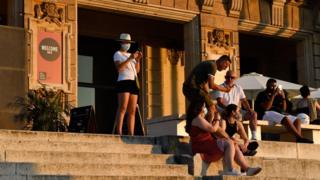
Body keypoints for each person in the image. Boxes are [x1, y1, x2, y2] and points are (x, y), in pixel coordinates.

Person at [185, 102, 262, 176]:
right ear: (199, 108)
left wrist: (214, 117)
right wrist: (217, 119)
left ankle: (247, 169)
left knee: (234, 145)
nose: (205, 108)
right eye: (204, 106)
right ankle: (230, 169)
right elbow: (213, 129)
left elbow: (214, 129)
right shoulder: (198, 119)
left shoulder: (201, 118)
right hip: (202, 145)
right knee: (229, 143)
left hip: (207, 143)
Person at [254, 78, 313, 143]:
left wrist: (283, 97)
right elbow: (267, 107)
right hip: (266, 114)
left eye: (275, 86)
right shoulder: (262, 94)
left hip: (278, 114)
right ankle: (300, 137)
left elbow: (283, 109)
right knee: (285, 119)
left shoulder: (278, 96)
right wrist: (273, 95)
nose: (273, 88)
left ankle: (298, 139)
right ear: (267, 85)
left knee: (297, 120)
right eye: (271, 86)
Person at [183, 55, 232, 125]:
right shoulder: (212, 66)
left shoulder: (210, 64)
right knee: (212, 108)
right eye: (226, 65)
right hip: (192, 88)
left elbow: (206, 85)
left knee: (201, 108)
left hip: (190, 88)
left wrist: (208, 97)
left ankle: (194, 126)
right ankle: (207, 130)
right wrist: (225, 89)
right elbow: (211, 85)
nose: (225, 68)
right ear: (222, 61)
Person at [215, 70, 258, 140]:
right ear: (225, 77)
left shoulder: (238, 88)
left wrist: (249, 109)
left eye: (232, 77)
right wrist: (229, 110)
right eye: (228, 77)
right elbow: (219, 102)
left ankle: (254, 136)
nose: (229, 79)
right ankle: (228, 136)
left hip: (236, 111)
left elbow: (244, 100)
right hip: (224, 110)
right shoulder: (220, 87)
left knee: (253, 114)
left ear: (235, 78)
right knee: (232, 117)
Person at [113, 33, 142, 135]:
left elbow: (137, 71)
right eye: (126, 42)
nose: (128, 44)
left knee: (132, 110)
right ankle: (119, 132)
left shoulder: (131, 55)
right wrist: (130, 59)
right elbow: (119, 68)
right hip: (123, 81)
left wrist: (137, 60)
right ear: (121, 43)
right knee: (123, 107)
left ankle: (131, 133)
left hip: (133, 82)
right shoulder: (117, 54)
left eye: (129, 43)